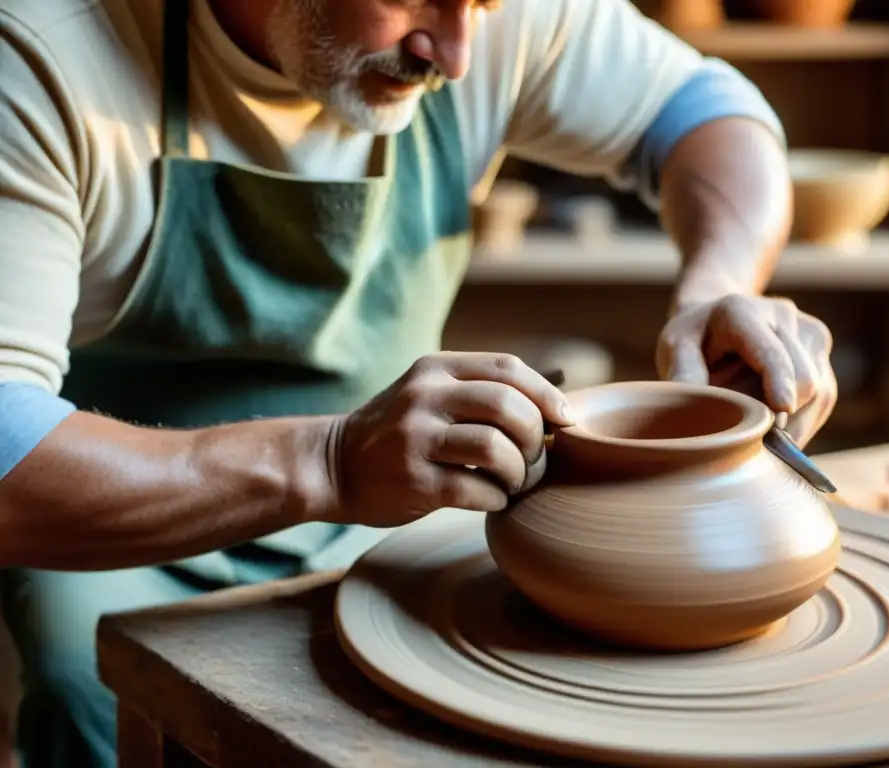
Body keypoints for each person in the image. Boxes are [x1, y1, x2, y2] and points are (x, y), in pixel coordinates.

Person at [0, 0, 838, 765]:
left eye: (481, 4)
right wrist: (326, 462)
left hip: (389, 505)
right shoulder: (43, 50)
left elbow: (708, 113)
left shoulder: (477, 24)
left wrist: (720, 285)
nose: (460, 53)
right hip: (124, 518)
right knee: (93, 682)